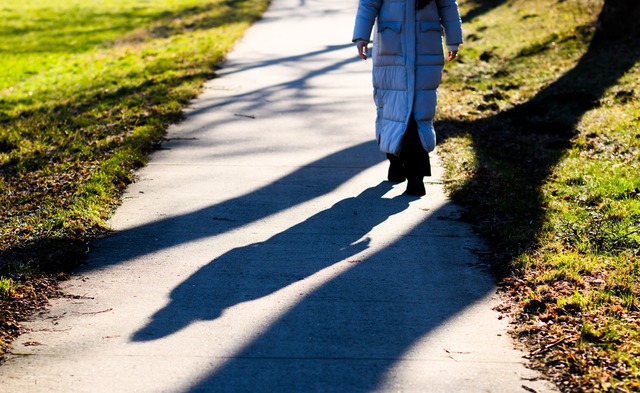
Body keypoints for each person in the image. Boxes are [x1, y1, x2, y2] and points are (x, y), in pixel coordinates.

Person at [352, 0, 463, 196]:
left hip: (425, 50)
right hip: (391, 49)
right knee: (392, 111)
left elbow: (447, 5)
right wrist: (361, 36)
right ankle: (395, 163)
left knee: (418, 114)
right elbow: (368, 4)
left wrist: (453, 39)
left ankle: (416, 177)